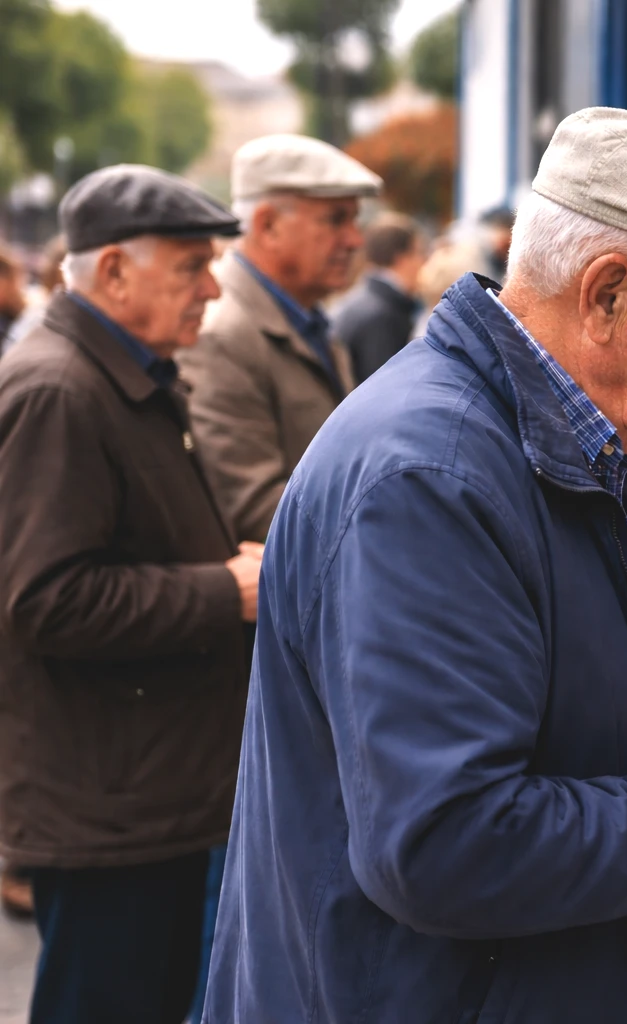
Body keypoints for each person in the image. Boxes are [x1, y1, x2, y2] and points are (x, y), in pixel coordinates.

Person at [205, 107, 627, 1024]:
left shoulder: (547, 439)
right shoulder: (432, 475)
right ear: (606, 294)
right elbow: (446, 844)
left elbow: (573, 709)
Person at [0, 165, 262, 1024]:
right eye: (191, 266)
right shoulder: (59, 389)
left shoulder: (126, 372)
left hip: (146, 791)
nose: (212, 286)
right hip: (111, 807)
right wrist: (224, 591)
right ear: (113, 271)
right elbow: (49, 599)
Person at [179, 133, 381, 542]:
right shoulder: (223, 334)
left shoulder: (305, 316)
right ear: (267, 226)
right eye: (336, 219)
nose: (355, 240)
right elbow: (252, 508)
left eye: (354, 220)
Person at [334, 212, 426, 384]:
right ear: (402, 258)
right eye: (418, 253)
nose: (423, 262)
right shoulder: (383, 315)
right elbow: (386, 389)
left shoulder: (364, 301)